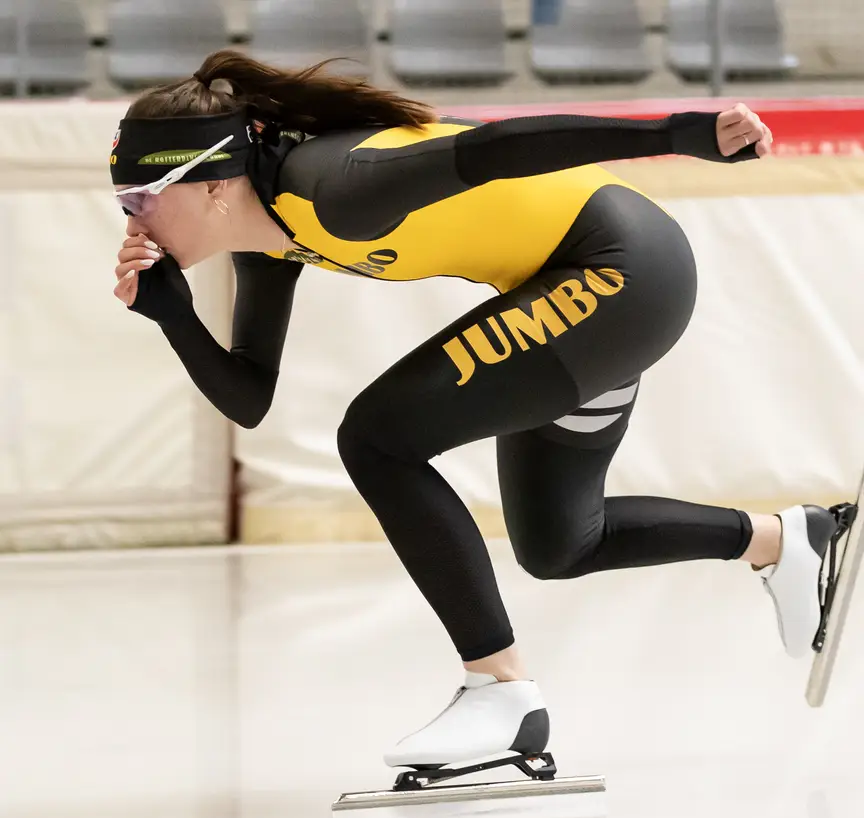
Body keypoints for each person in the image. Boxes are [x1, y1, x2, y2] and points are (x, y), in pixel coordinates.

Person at [111, 49, 839, 774]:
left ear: (211, 185)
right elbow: (249, 398)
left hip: (618, 270)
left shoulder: (331, 186)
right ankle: (783, 540)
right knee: (561, 544)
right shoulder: (268, 243)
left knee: (376, 440)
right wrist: (174, 317)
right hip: (589, 286)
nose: (132, 220)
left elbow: (499, 147)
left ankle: (500, 691)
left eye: (141, 197)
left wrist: (678, 134)